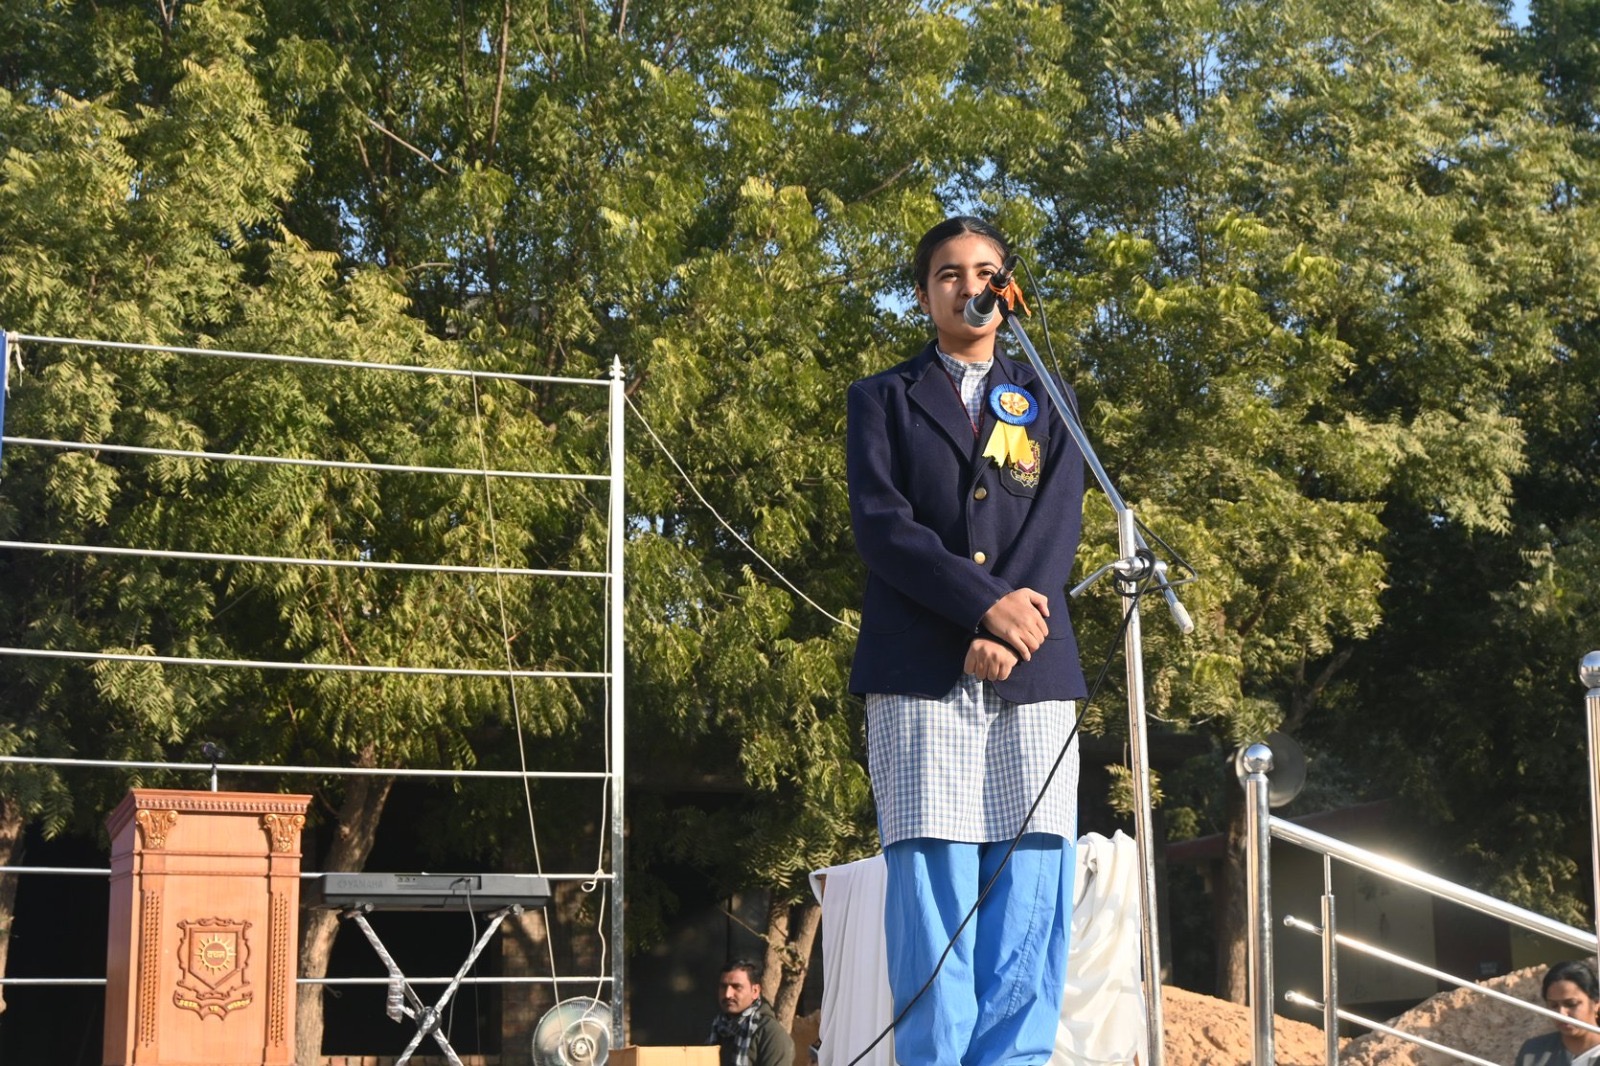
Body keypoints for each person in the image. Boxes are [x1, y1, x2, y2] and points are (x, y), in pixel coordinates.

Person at [845, 215, 1087, 1066]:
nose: (969, 285)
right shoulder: (882, 398)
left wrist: (1013, 632)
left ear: (1007, 290)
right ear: (924, 295)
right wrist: (983, 612)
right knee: (933, 896)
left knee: (1031, 890)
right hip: (922, 670)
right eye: (949, 273)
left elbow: (1057, 523)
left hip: (1033, 670)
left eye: (986, 271)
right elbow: (884, 529)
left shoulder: (1047, 397)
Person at [707, 958, 795, 1066]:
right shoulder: (718, 1027)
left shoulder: (771, 1034)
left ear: (755, 991)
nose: (727, 994)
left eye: (737, 987)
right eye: (723, 987)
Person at [1516, 960, 1600, 1066]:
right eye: (1554, 1005)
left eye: (1571, 1004)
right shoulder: (1533, 1052)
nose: (1561, 1014)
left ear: (1596, 1003)